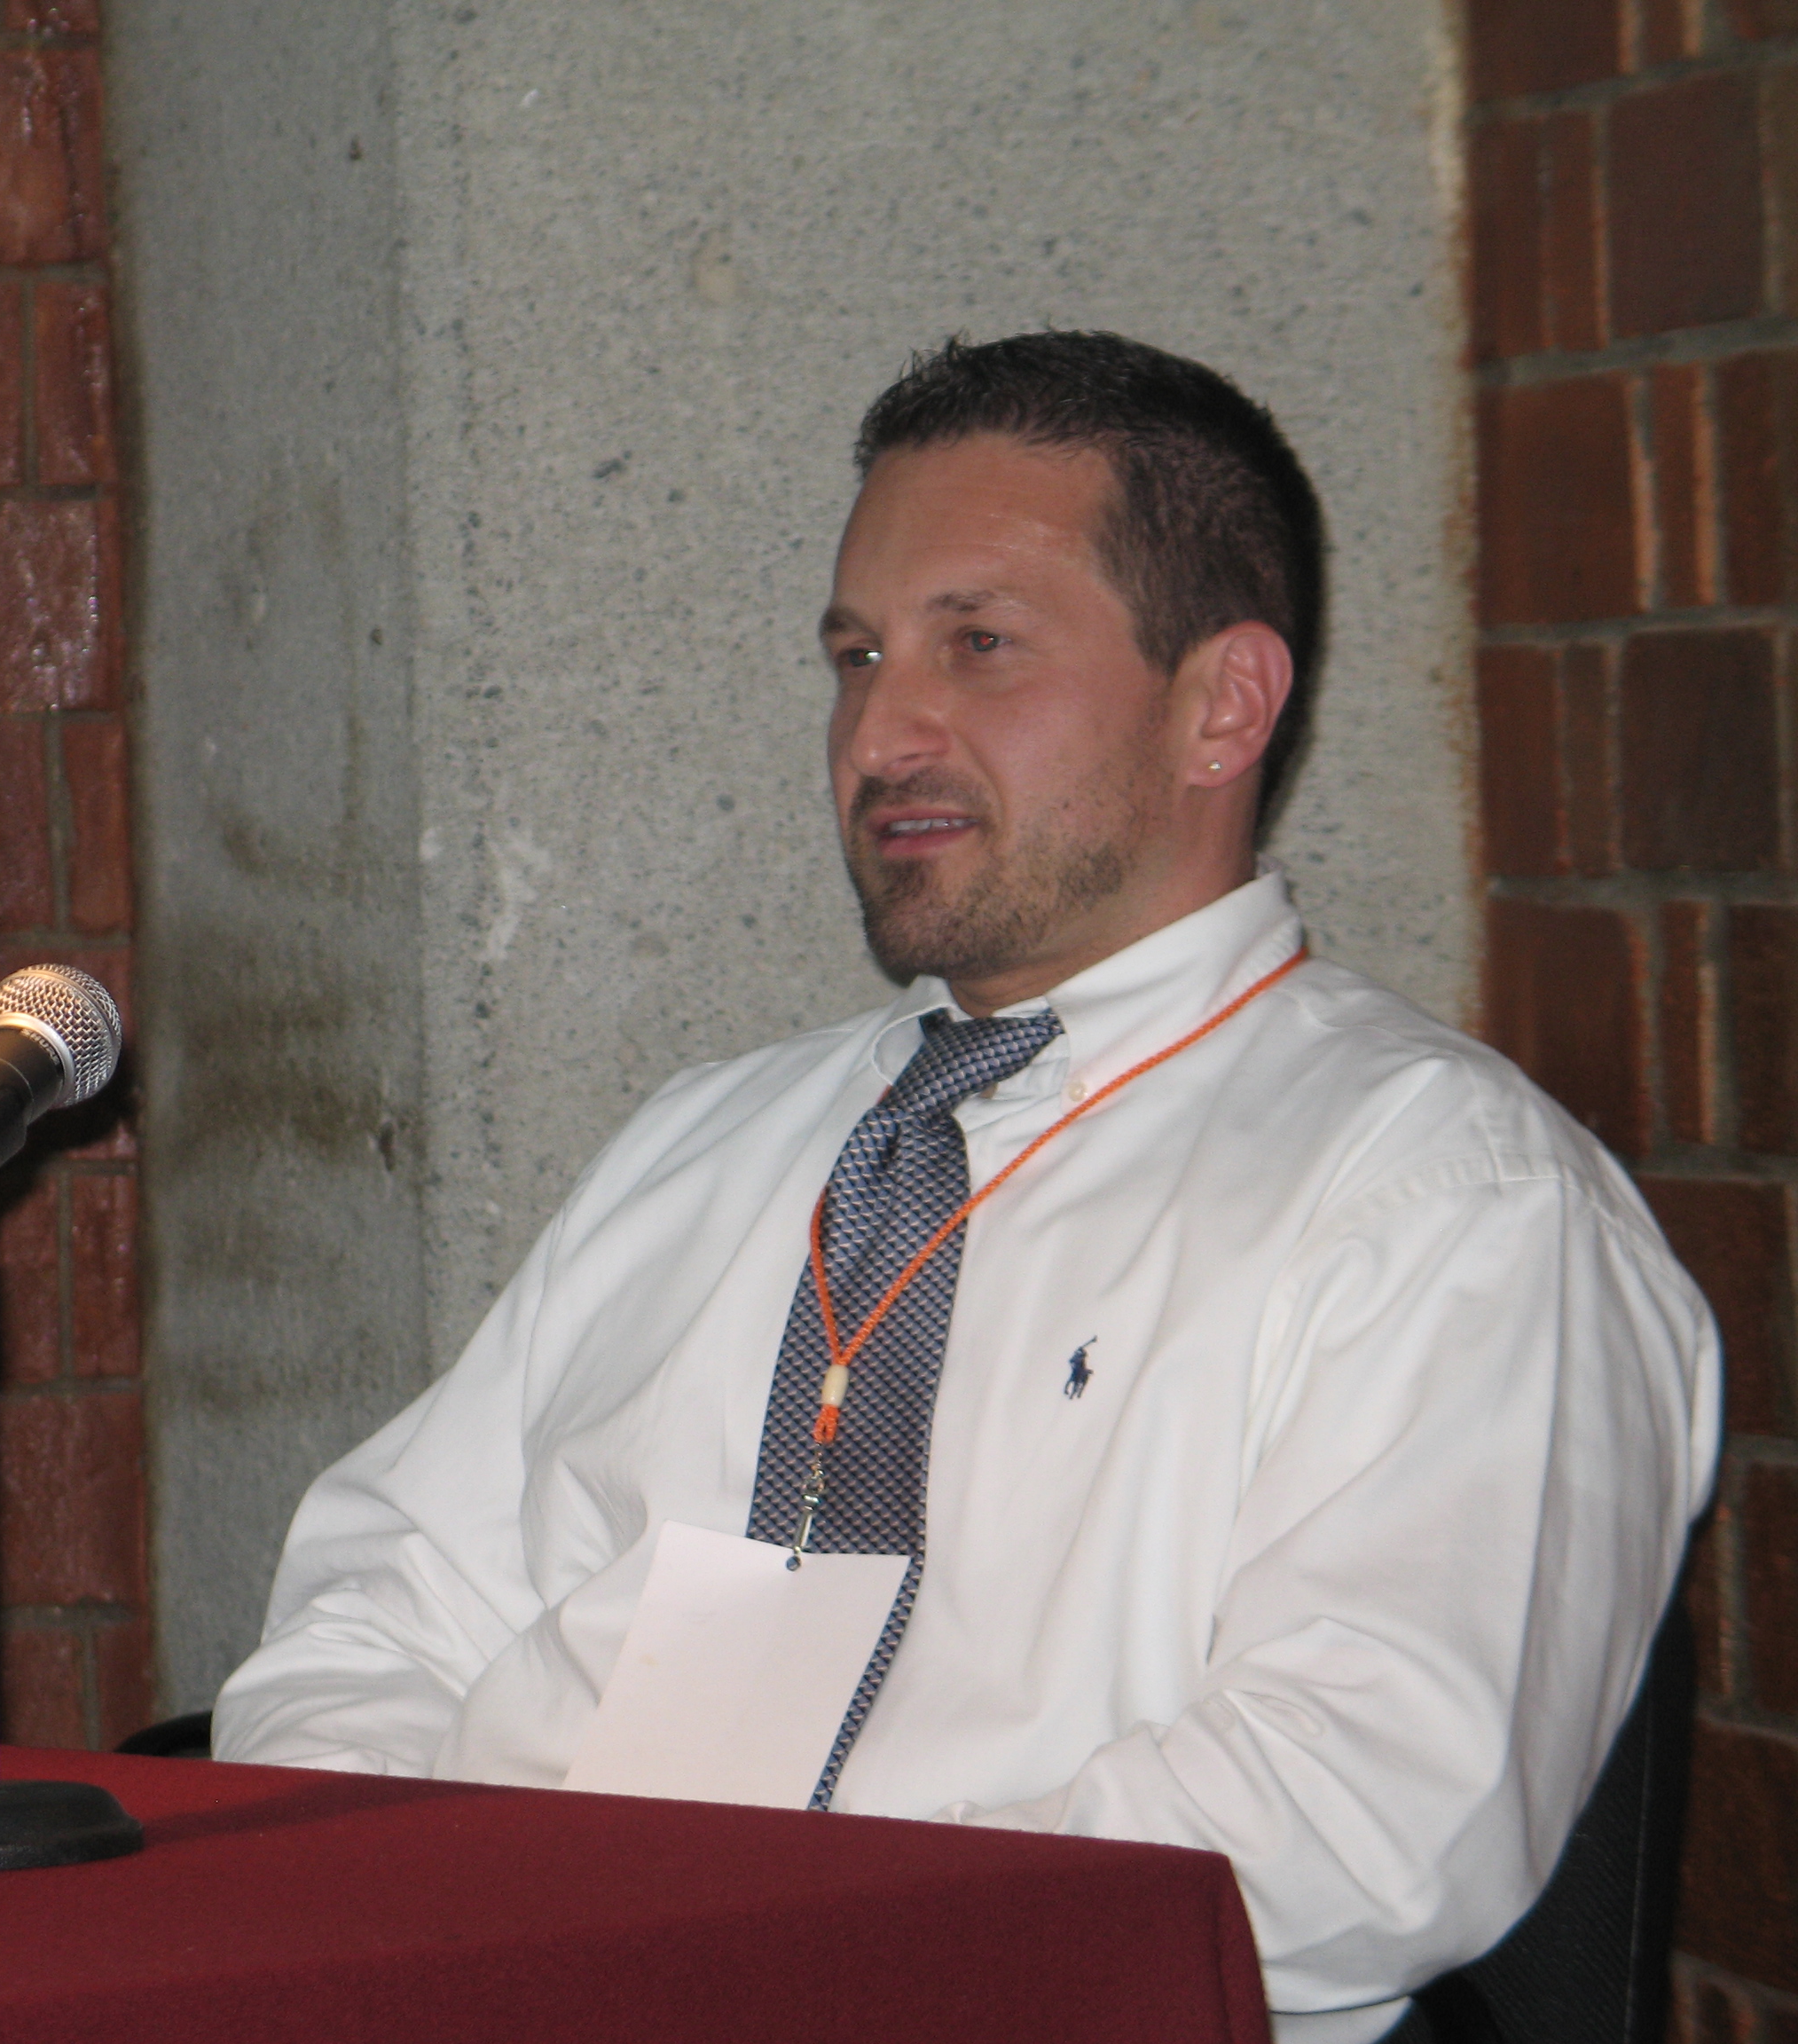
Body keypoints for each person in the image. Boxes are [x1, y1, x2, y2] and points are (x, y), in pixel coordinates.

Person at [210, 332, 1721, 2044]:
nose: (879, 731)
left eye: (977, 645)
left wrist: (760, 1964)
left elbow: (1355, 1816)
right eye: (856, 654)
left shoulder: (1454, 1204)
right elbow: (373, 1617)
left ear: (1222, 704)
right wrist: (415, 1933)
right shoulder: (706, 1143)